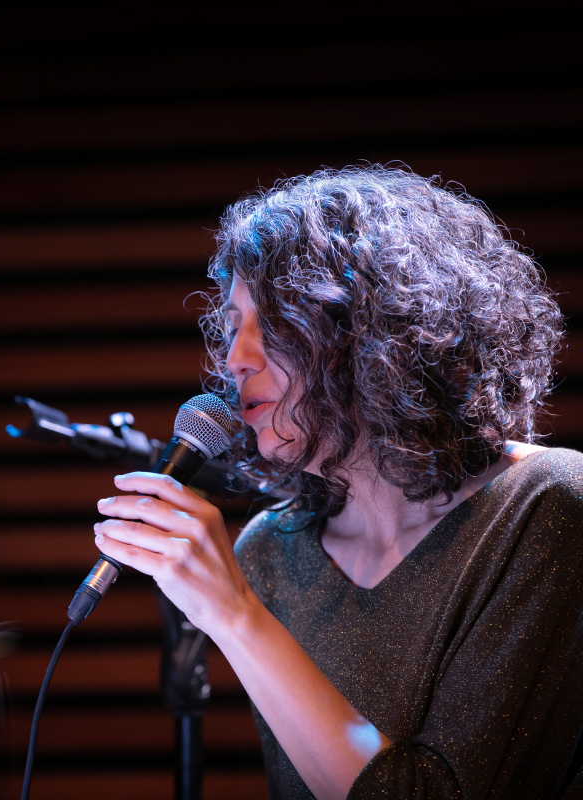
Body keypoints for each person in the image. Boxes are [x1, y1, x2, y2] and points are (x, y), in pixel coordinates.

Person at [91, 166, 583, 798]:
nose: (235, 357)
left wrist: (235, 615)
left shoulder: (549, 507)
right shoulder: (273, 551)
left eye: (269, 322)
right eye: (233, 323)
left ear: (373, 332)